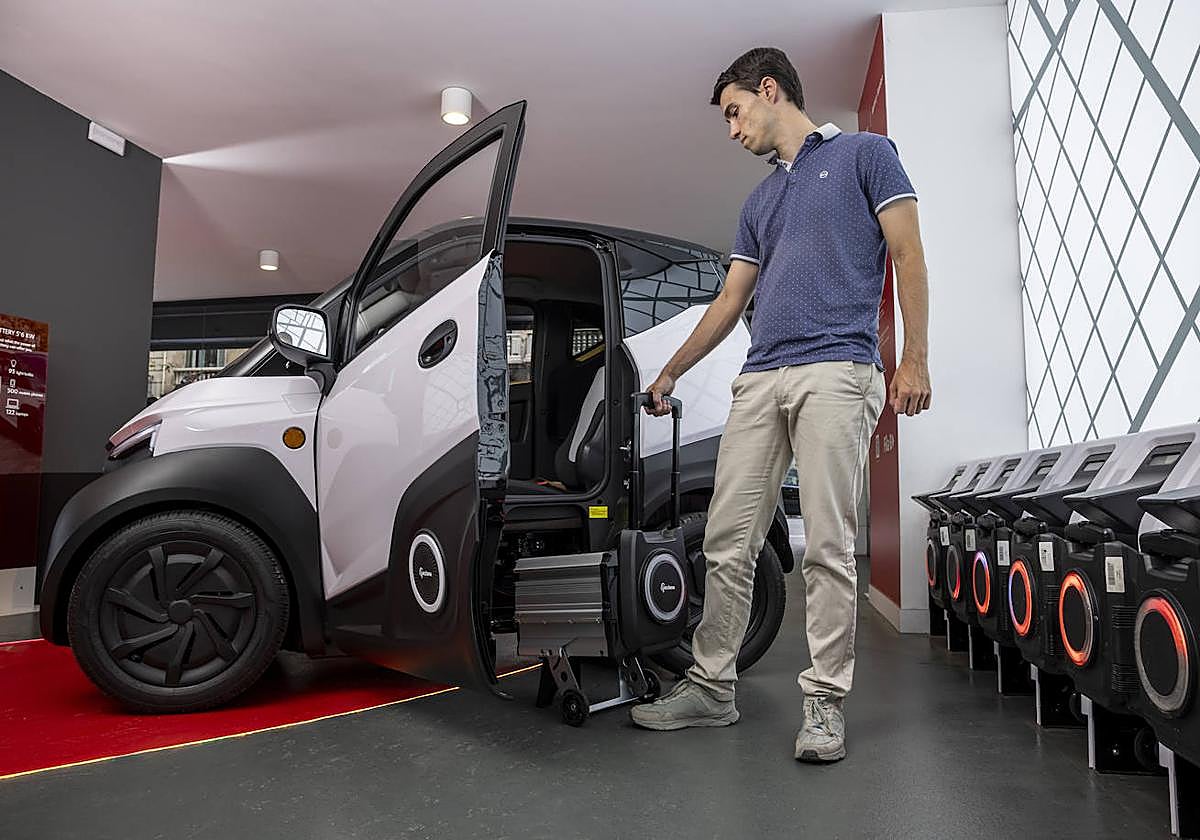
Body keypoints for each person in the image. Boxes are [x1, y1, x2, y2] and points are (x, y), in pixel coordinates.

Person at [630, 47, 932, 763]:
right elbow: (731, 300)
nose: (732, 130)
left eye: (735, 111)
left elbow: (909, 256)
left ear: (770, 90)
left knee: (829, 546)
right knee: (726, 540)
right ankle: (711, 687)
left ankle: (825, 703)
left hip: (837, 368)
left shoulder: (867, 154)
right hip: (763, 375)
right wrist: (670, 369)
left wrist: (914, 357)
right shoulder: (759, 201)